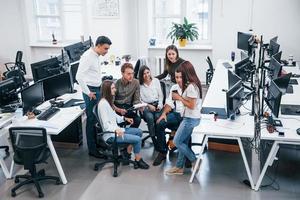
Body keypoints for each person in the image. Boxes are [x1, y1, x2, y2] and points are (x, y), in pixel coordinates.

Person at [98, 80, 149, 169]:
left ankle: (127, 153)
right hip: (111, 135)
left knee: (139, 132)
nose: (115, 90)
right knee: (137, 139)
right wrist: (116, 130)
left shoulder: (108, 102)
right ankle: (138, 159)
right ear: (107, 90)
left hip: (117, 130)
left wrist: (125, 118)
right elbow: (106, 125)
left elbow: (114, 116)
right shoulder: (103, 105)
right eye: (113, 88)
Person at [76, 36, 112, 158]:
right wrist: (88, 92)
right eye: (105, 48)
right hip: (91, 91)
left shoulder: (95, 55)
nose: (107, 51)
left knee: (97, 117)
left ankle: (98, 143)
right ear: (98, 45)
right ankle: (92, 149)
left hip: (97, 88)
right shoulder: (87, 57)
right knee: (91, 119)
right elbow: (79, 77)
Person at [165, 61, 202, 175]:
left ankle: (194, 159)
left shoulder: (191, 86)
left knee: (177, 141)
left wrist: (179, 98)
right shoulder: (193, 84)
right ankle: (179, 167)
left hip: (190, 119)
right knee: (183, 142)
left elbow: (191, 105)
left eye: (182, 75)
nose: (180, 78)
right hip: (189, 118)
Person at [153, 77, 185, 166]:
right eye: (177, 77)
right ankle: (162, 152)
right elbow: (169, 103)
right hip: (175, 114)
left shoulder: (191, 88)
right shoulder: (174, 88)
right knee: (160, 123)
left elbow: (193, 105)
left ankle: (187, 156)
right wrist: (163, 114)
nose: (178, 80)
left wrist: (180, 98)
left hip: (187, 116)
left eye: (180, 77)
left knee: (186, 126)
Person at [138, 65, 163, 150]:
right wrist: (148, 105)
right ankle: (153, 138)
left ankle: (159, 138)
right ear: (141, 75)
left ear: (150, 72)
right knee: (150, 117)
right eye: (144, 74)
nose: (146, 75)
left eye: (148, 72)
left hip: (157, 105)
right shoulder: (139, 85)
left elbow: (161, 96)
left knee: (157, 117)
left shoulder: (156, 81)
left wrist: (159, 105)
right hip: (146, 106)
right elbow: (139, 100)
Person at [114, 63, 142, 128]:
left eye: (132, 73)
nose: (131, 76)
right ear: (122, 73)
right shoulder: (116, 84)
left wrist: (139, 106)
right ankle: (122, 134)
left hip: (128, 108)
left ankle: (130, 135)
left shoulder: (136, 83)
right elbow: (110, 103)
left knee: (137, 120)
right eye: (129, 74)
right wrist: (118, 110)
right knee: (119, 122)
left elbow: (136, 100)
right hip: (117, 108)